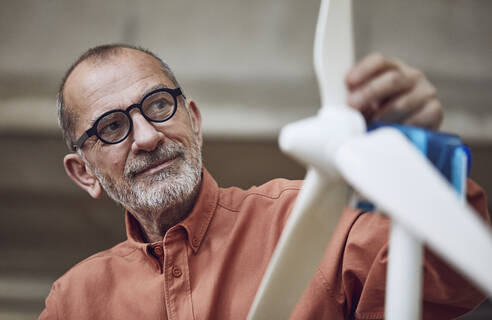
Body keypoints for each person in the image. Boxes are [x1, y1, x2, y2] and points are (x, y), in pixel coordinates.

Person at [39, 44, 489, 320]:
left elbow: (455, 277)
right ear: (85, 173)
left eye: (159, 105)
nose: (148, 136)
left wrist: (415, 157)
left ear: (193, 121)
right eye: (112, 128)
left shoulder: (317, 220)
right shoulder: (73, 302)